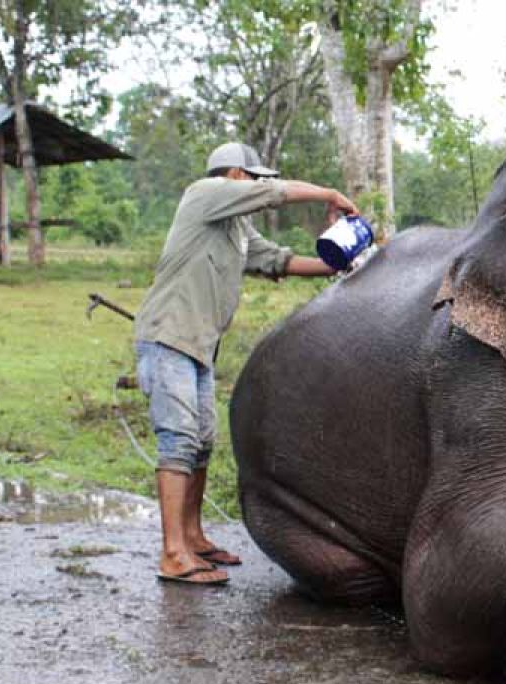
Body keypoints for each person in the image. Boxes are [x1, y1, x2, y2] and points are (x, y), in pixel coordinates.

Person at [133, 142, 358, 585]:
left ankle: (193, 538)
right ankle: (173, 553)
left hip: (200, 346)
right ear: (234, 176)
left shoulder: (236, 230)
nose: (258, 186)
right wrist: (329, 193)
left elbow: (280, 260)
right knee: (178, 441)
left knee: (200, 442)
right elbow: (274, 193)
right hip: (169, 338)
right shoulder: (204, 193)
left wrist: (339, 263)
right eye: (254, 178)